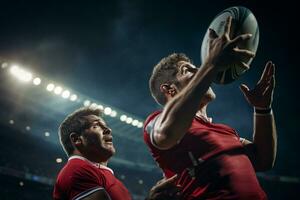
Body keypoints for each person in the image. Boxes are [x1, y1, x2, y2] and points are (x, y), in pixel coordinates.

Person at [143, 16, 277, 199]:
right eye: (188, 70)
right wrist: (212, 63)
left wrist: (263, 109)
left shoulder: (226, 131)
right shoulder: (156, 121)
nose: (200, 71)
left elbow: (264, 160)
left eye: (200, 67)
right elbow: (164, 135)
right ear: (169, 89)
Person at [53, 107, 180, 200]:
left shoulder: (100, 173)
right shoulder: (78, 170)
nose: (108, 129)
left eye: (105, 126)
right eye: (96, 126)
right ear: (76, 139)